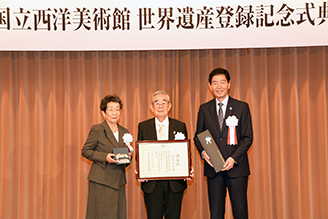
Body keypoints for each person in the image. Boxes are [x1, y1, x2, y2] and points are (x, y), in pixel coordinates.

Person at [194, 68, 253, 219]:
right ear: (210, 86)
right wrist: (203, 152)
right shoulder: (204, 108)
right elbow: (198, 136)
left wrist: (233, 158)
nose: (218, 86)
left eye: (222, 82)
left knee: (240, 211)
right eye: (215, 83)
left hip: (237, 169)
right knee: (216, 212)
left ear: (229, 84)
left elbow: (247, 137)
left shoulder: (242, 107)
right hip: (213, 169)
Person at [137, 90, 189, 219]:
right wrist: (140, 170)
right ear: (151, 107)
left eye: (164, 102)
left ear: (169, 106)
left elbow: (185, 152)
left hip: (174, 183)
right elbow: (141, 154)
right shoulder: (143, 126)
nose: (160, 106)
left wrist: (188, 168)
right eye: (157, 103)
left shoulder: (180, 126)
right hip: (152, 184)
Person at [82, 95, 132, 219]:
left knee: (118, 214)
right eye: (111, 109)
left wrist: (129, 156)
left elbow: (125, 155)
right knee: (101, 214)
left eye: (117, 109)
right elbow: (86, 151)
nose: (114, 113)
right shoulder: (98, 129)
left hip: (118, 180)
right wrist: (104, 157)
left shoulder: (124, 131)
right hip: (101, 180)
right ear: (104, 113)